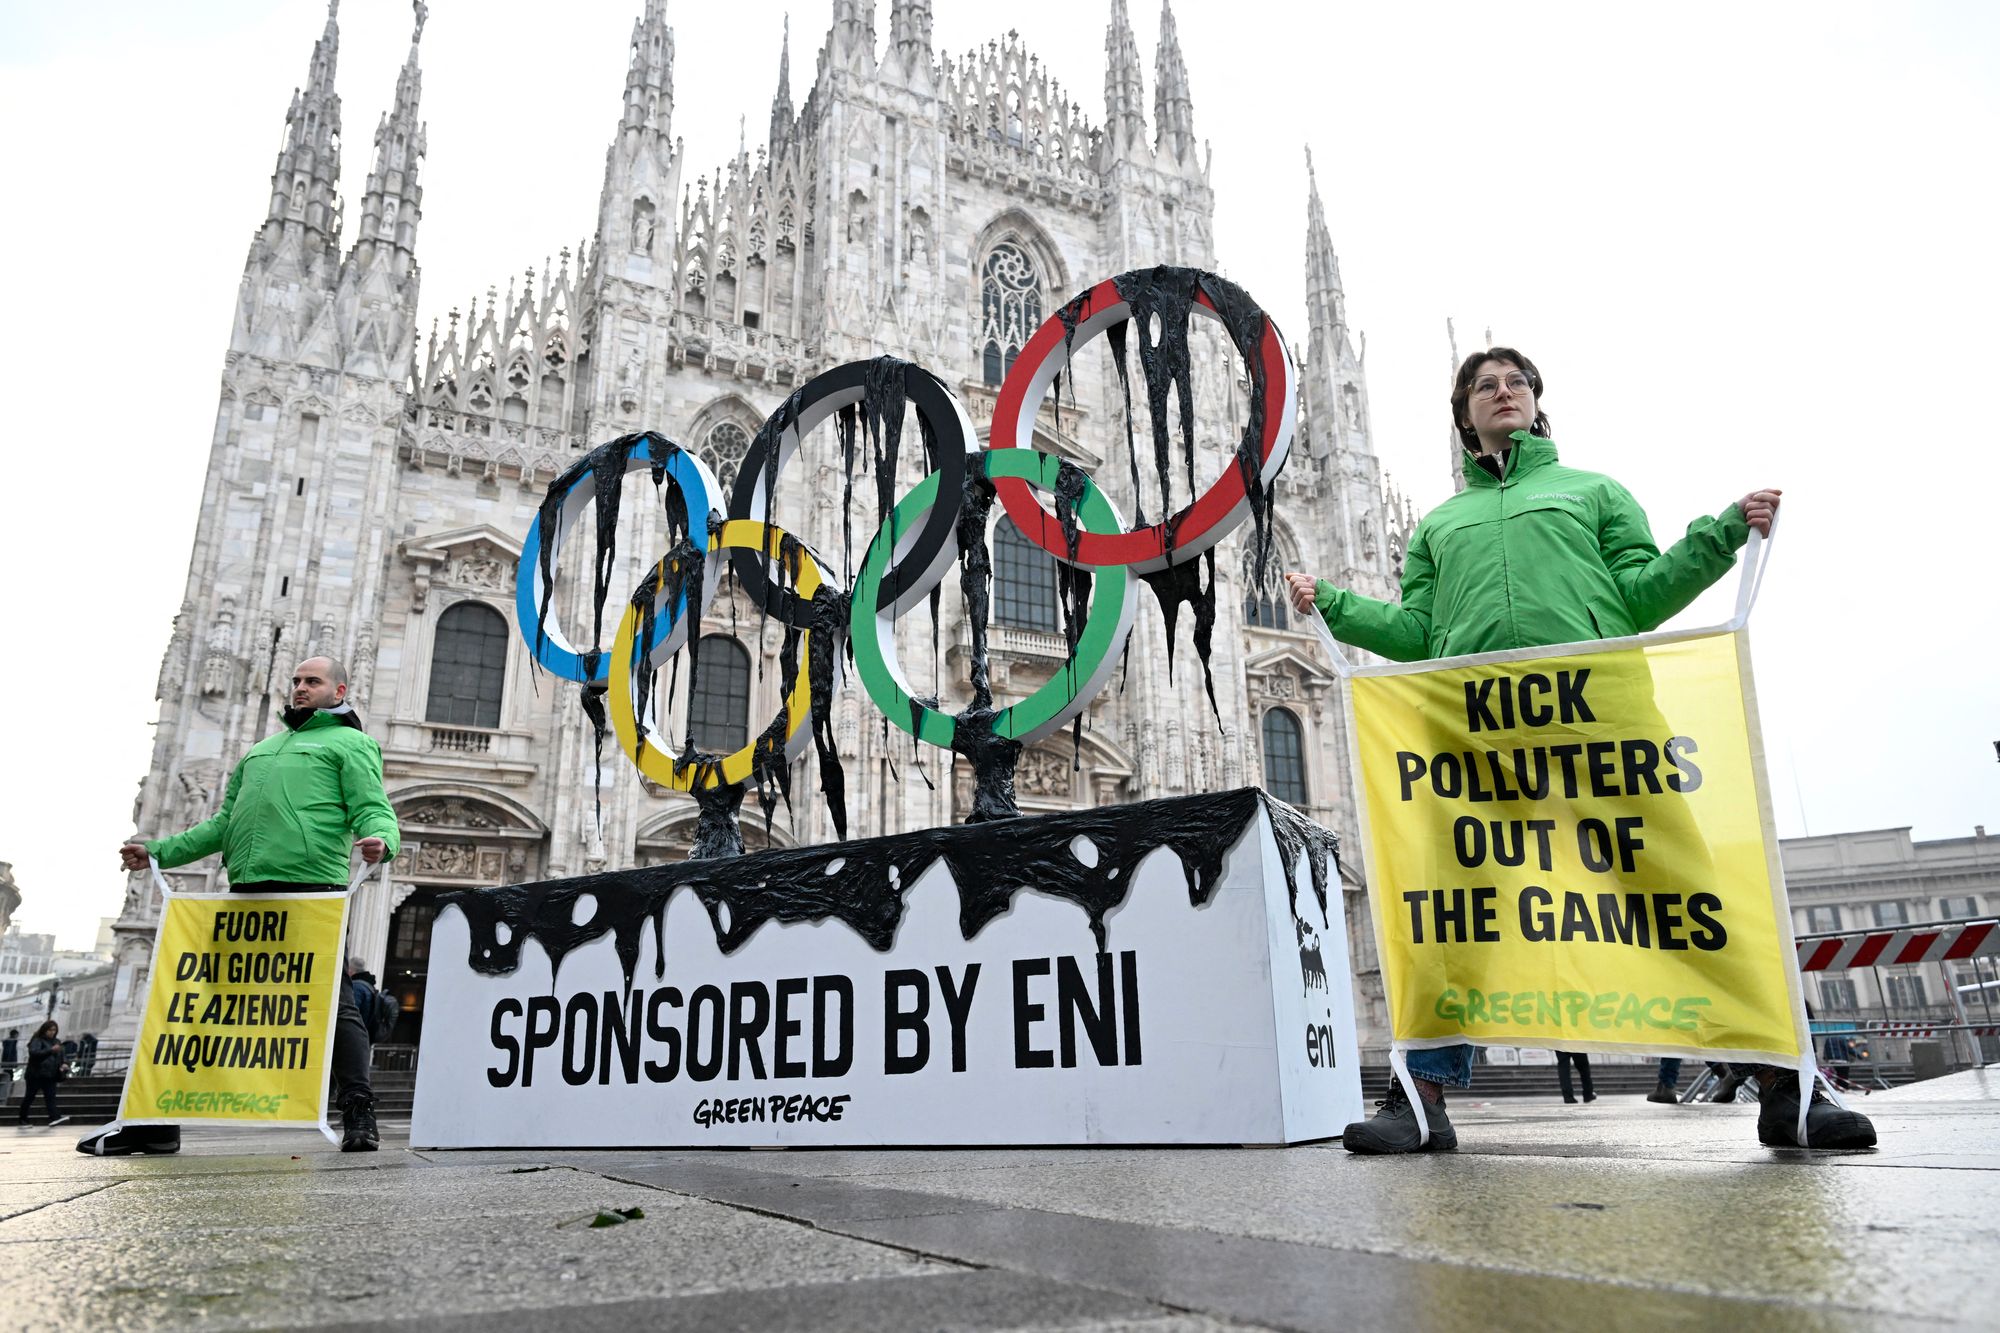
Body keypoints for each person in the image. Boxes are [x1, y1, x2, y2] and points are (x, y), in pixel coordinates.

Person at [1286, 347, 1874, 1154]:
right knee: (1454, 915)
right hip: (1480, 733)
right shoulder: (1439, 525)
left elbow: (1642, 591)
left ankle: (1792, 1086)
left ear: (1536, 403)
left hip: (1602, 719)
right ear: (1464, 413)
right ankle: (1418, 1099)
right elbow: (1421, 633)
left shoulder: (1591, 491)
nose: (1503, 393)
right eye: (1486, 386)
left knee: (1693, 900)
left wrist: (1723, 531)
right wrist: (1338, 605)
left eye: (1516, 383)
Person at [81, 656, 399, 1156]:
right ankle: (159, 1119)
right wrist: (159, 851)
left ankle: (359, 1111)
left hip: (310, 889)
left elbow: (372, 806)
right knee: (201, 1004)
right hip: (247, 887)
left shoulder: (351, 744)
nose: (300, 688)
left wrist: (381, 838)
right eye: (296, 681)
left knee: (333, 1008)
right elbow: (223, 824)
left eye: (311, 681)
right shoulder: (261, 751)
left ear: (339, 691)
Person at [17, 1019, 70, 1127]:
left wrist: (64, 1064)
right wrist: (50, 1050)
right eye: (50, 1030)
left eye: (54, 1030)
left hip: (51, 1075)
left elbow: (62, 1056)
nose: (52, 1032)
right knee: (29, 1097)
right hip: (36, 1075)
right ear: (45, 1030)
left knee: (50, 1097)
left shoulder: (56, 1042)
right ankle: (23, 1119)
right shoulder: (37, 1040)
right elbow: (34, 1053)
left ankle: (54, 1117)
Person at [1, 1028, 18, 1105]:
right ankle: (8, 1094)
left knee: (8, 1076)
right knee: (9, 1076)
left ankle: (7, 1094)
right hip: (9, 1062)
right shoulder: (11, 1041)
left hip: (7, 1062)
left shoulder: (8, 1041)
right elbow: (10, 1052)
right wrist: (11, 1062)